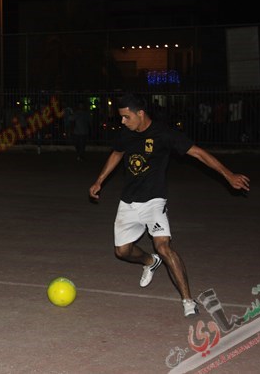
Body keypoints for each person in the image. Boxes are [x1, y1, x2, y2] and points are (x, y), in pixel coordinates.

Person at [88, 93, 250, 317]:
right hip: (128, 201)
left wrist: (228, 175)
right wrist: (99, 181)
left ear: (140, 114)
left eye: (126, 117)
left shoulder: (164, 134)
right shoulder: (126, 132)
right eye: (121, 118)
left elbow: (198, 153)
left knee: (163, 246)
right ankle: (149, 262)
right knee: (122, 251)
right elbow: (117, 153)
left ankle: (188, 300)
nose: (122, 122)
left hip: (154, 201)